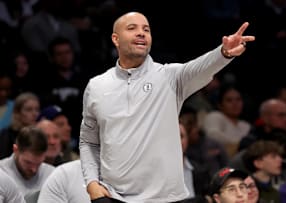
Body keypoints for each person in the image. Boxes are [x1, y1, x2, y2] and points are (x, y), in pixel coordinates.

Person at [79, 11, 255, 203]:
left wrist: (223, 53)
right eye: (132, 28)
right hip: (111, 195)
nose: (141, 33)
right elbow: (88, 142)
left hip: (164, 198)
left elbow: (200, 67)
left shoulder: (170, 77)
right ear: (115, 38)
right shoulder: (96, 86)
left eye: (146, 29)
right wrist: (91, 183)